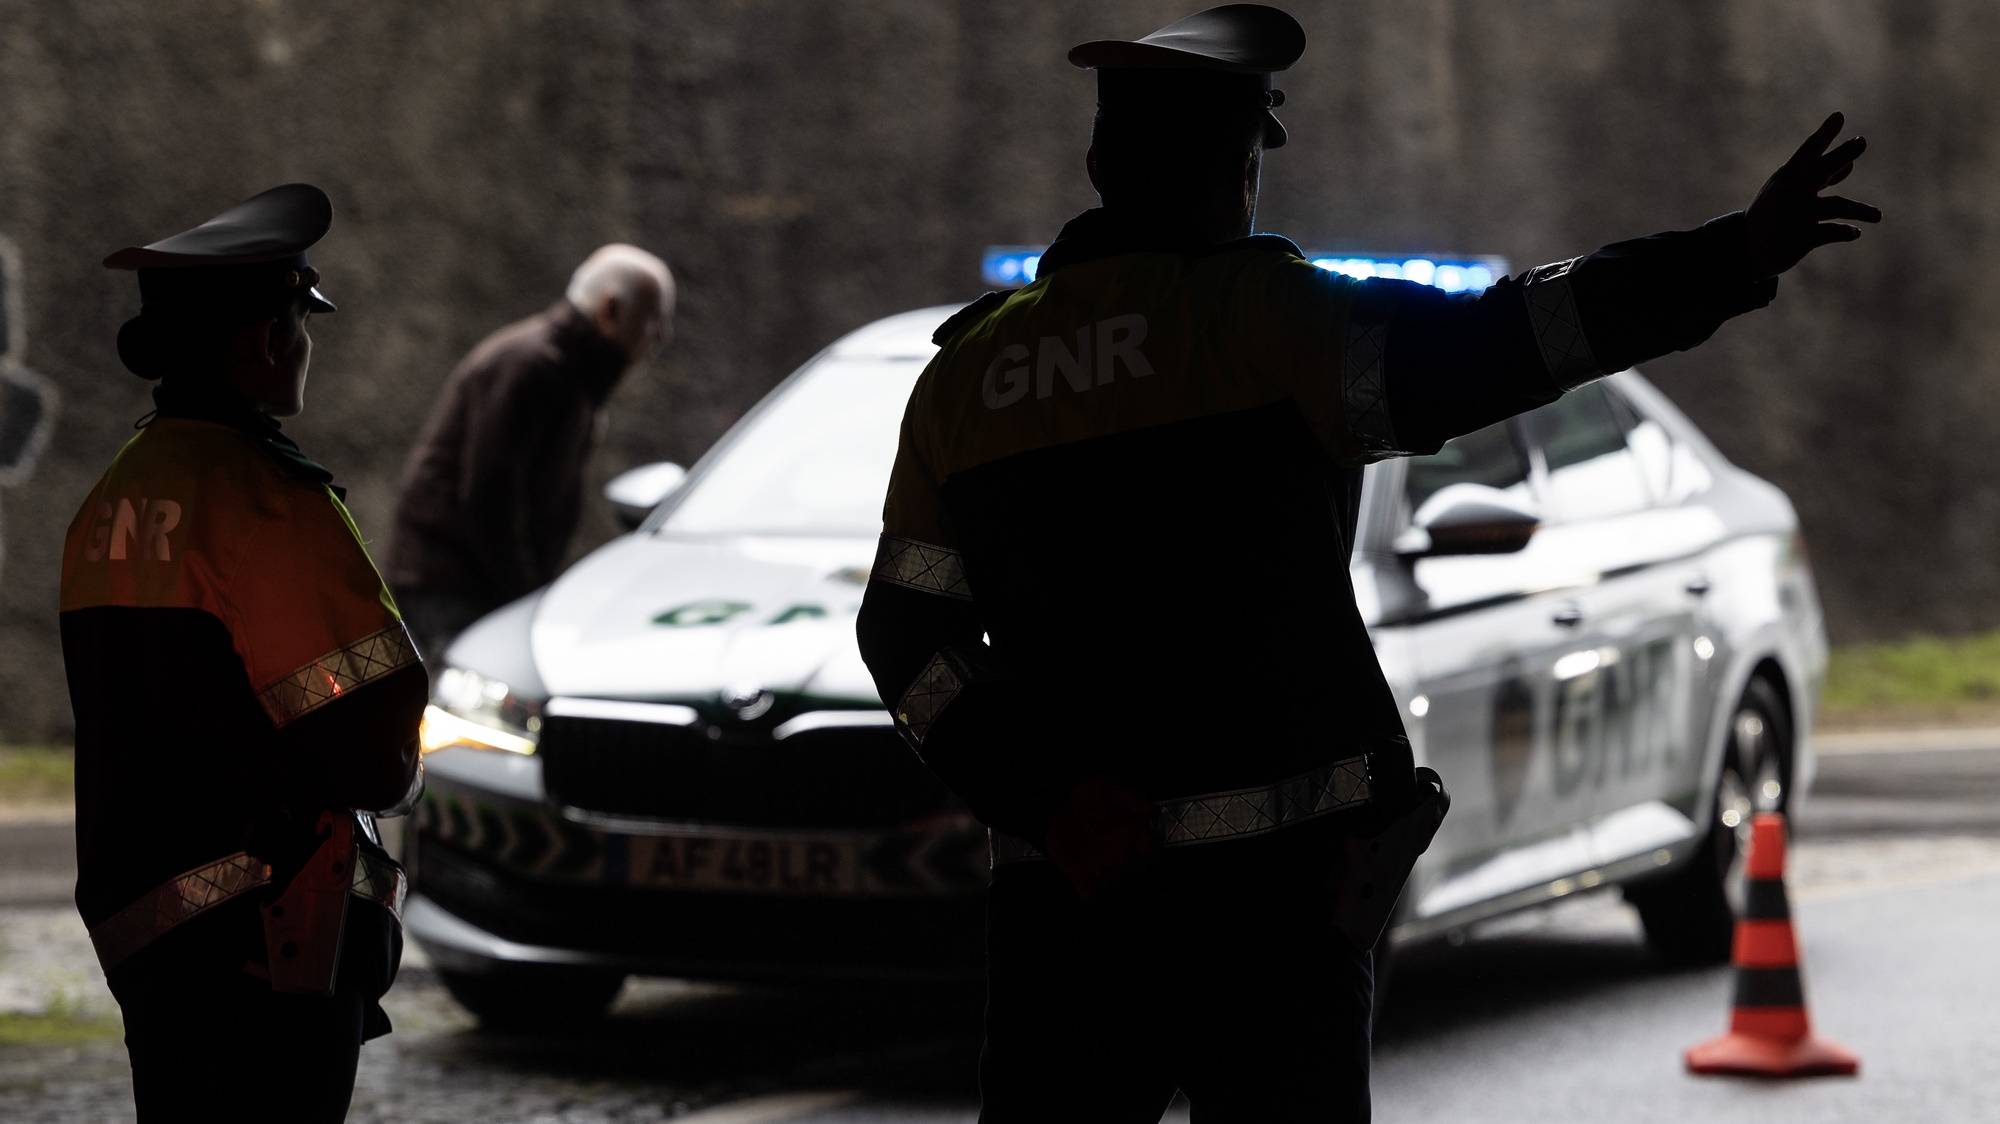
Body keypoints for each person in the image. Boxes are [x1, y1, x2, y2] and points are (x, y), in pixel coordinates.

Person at [854, 5, 1879, 1121]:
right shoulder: (1268, 323)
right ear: (1241, 174)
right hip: (1276, 922)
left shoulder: (964, 380)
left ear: (1099, 164)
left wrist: (1046, 796)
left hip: (1069, 909)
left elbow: (904, 640)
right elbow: (1513, 339)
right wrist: (1731, 254)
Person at [61, 183, 426, 1122]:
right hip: (270, 942)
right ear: (267, 339)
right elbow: (374, 754)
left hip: (147, 935)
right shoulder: (275, 504)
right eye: (300, 321)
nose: (304, 344)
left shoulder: (112, 498)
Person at [386, 243, 675, 659]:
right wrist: (528, 598)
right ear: (610, 310)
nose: (660, 338)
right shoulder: (533, 368)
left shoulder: (568, 377)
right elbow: (490, 501)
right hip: (451, 587)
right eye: (653, 321)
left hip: (466, 587)